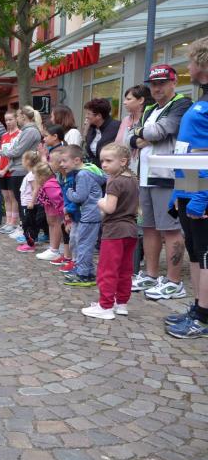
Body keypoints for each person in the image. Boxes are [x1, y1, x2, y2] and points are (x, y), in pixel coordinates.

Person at [128, 65, 193, 301]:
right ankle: (151, 275)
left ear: (173, 82)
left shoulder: (181, 103)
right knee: (149, 227)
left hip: (168, 176)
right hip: (145, 175)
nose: (157, 88)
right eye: (154, 84)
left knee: (171, 229)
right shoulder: (150, 109)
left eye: (162, 83)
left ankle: (174, 282)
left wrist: (141, 133)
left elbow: (160, 131)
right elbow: (130, 138)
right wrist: (141, 135)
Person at [165, 37, 208, 338]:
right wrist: (178, 192)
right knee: (195, 252)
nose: (188, 67)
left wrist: (202, 196)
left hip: (201, 189)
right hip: (188, 186)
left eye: (191, 61)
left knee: (205, 256)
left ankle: (204, 317)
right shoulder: (201, 99)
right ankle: (198, 307)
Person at [80, 143, 139, 319]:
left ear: (123, 161)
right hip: (131, 230)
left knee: (108, 269)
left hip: (114, 231)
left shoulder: (115, 182)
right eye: (102, 161)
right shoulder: (132, 179)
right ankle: (121, 303)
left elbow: (110, 208)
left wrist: (99, 201)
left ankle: (105, 306)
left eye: (108, 161)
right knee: (125, 270)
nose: (104, 165)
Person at [60, 145, 106, 287]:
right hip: (91, 213)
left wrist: (69, 192)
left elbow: (79, 196)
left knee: (84, 244)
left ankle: (84, 275)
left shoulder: (82, 175)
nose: (61, 164)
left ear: (76, 160)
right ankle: (86, 271)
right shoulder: (88, 171)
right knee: (84, 243)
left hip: (89, 214)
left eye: (64, 161)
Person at [0, 106, 43, 238]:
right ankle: (24, 227)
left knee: (23, 201)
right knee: (20, 199)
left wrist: (1, 152)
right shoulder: (27, 131)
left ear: (23, 117)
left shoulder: (30, 131)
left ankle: (26, 229)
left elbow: (17, 151)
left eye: (17, 116)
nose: (16, 119)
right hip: (17, 168)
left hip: (22, 169)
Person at [32, 160, 64, 262]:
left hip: (55, 211)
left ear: (42, 176)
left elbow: (59, 201)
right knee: (51, 225)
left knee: (55, 225)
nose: (35, 179)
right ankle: (52, 248)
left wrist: (64, 213)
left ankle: (54, 250)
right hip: (50, 209)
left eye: (36, 176)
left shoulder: (50, 185)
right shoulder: (48, 183)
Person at [0, 111, 21, 234]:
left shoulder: (19, 134)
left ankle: (13, 222)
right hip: (1, 170)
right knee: (6, 197)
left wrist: (5, 169)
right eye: (6, 120)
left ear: (16, 119)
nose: (8, 122)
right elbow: (0, 153)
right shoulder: (4, 136)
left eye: (11, 119)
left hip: (12, 169)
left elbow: (15, 155)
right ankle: (7, 221)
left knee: (13, 197)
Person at [16, 151, 43, 253]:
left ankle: (30, 244)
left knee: (27, 224)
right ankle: (31, 241)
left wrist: (32, 202)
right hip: (27, 203)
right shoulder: (31, 174)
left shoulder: (32, 175)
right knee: (29, 223)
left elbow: (35, 188)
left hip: (29, 204)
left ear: (27, 161)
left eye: (23, 159)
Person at [83, 98, 121, 164]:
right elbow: (88, 151)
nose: (86, 116)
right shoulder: (92, 127)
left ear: (99, 116)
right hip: (94, 167)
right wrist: (85, 130)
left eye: (88, 114)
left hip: (109, 167)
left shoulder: (116, 127)